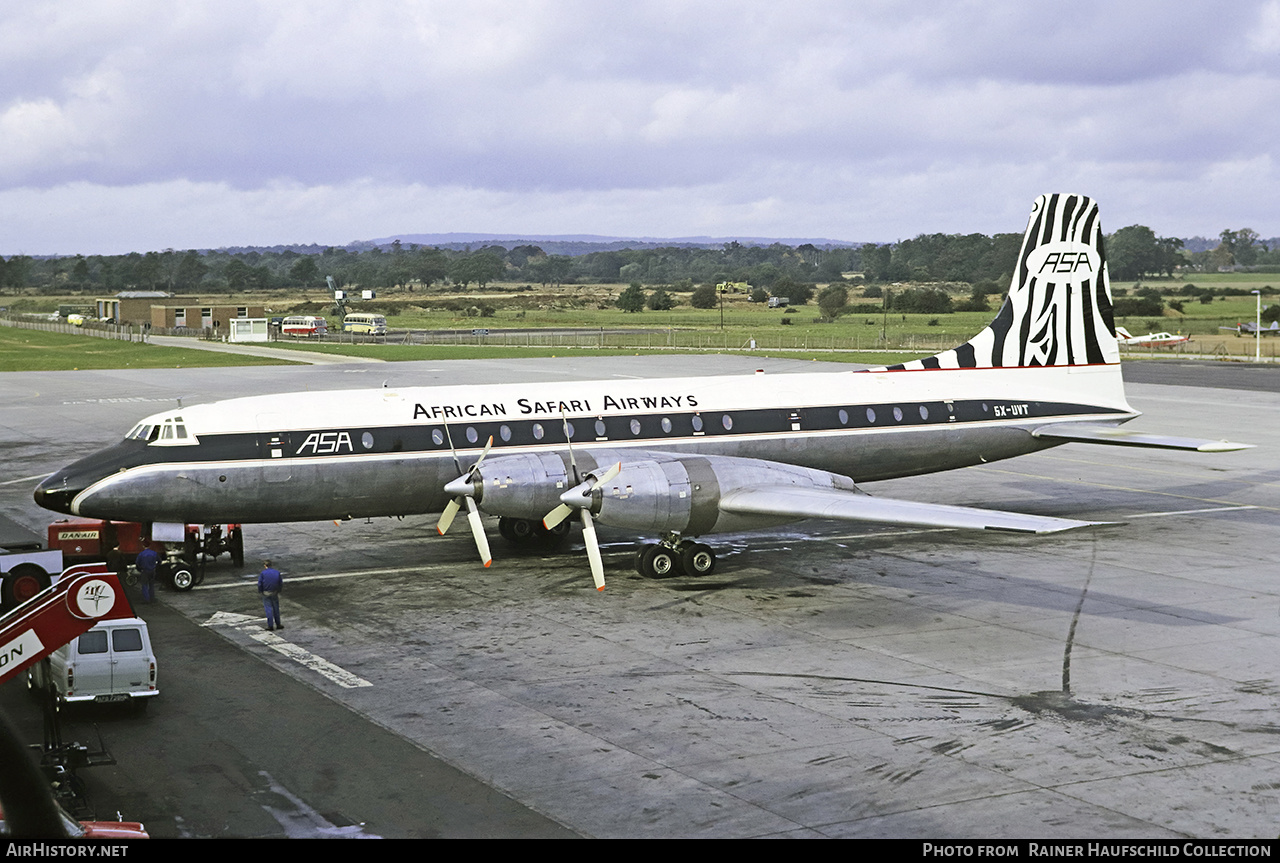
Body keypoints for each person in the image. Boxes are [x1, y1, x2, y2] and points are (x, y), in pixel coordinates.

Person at [258, 559, 282, 631]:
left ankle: (270, 625)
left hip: (266, 592)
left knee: (268, 608)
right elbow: (280, 583)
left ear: (265, 566)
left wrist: (260, 591)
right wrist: (278, 590)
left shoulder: (263, 573)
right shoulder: (277, 572)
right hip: (274, 592)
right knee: (276, 608)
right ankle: (278, 624)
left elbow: (260, 584)